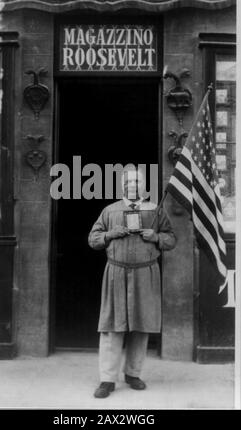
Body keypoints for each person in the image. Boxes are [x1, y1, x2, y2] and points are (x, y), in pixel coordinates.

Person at [88, 166, 177, 398]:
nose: (132, 186)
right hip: (116, 273)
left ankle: (133, 373)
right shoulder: (110, 211)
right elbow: (93, 239)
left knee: (141, 324)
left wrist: (156, 237)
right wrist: (109, 235)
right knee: (111, 326)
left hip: (145, 274)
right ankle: (107, 379)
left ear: (143, 186)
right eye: (127, 182)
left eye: (136, 182)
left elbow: (171, 238)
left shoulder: (154, 210)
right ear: (122, 186)